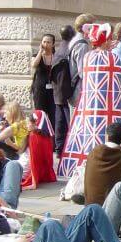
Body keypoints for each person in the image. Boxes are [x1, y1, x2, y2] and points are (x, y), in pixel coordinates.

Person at [59, 23, 121, 181]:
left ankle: (86, 164)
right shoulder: (113, 57)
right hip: (111, 106)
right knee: (108, 135)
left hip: (90, 107)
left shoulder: (88, 57)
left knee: (88, 135)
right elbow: (120, 82)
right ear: (105, 40)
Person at [51, 24, 75, 154]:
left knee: (60, 120)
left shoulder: (60, 48)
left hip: (58, 90)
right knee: (68, 120)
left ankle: (59, 148)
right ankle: (66, 148)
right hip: (66, 90)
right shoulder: (68, 49)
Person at [68, 13, 95, 108]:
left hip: (75, 87)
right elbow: (83, 71)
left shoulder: (74, 40)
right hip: (79, 89)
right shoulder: (82, 45)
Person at [31, 34, 56, 125]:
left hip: (53, 90)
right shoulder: (37, 56)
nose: (46, 44)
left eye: (48, 42)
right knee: (40, 114)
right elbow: (34, 65)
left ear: (53, 44)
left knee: (53, 115)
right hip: (39, 90)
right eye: (44, 42)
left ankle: (52, 137)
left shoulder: (56, 56)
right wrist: (40, 52)